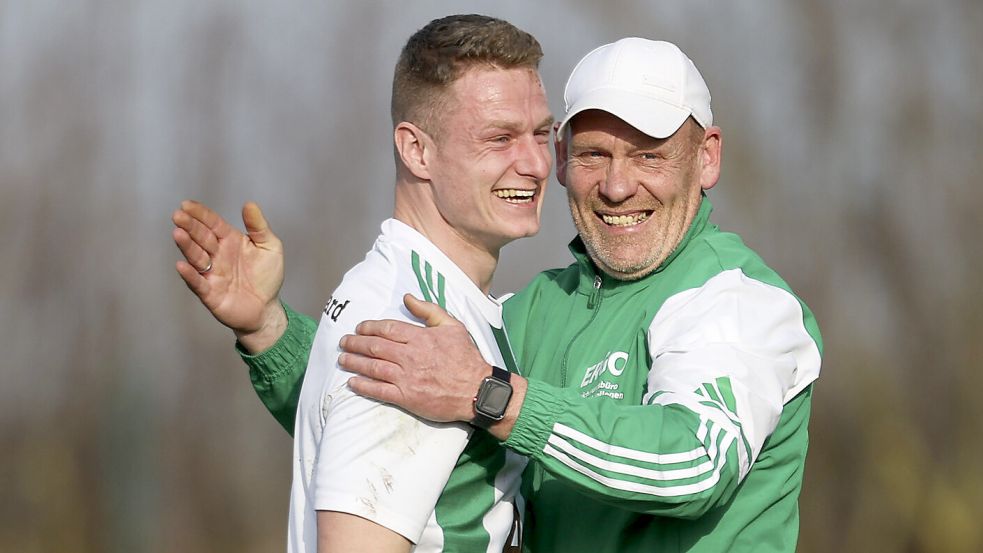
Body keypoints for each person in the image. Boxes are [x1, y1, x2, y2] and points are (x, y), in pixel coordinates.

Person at [178, 37, 823, 552]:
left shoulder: (738, 300)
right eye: (594, 154)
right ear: (565, 158)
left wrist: (492, 396)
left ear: (707, 158)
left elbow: (693, 466)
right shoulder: (529, 310)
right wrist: (269, 332)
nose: (619, 186)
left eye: (651, 156)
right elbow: (410, 434)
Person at [174, 14, 552, 553]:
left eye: (542, 133)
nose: (535, 163)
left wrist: (268, 330)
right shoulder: (413, 330)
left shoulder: (414, 294)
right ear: (417, 150)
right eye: (499, 139)